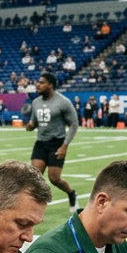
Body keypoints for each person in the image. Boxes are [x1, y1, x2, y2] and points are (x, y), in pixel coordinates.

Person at [25, 72, 80, 213]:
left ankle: (71, 193)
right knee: (34, 177)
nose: (38, 84)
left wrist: (65, 145)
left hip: (57, 143)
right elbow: (34, 122)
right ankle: (34, 207)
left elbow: (74, 124)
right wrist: (31, 125)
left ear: (50, 85)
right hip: (41, 142)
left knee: (54, 178)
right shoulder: (35, 102)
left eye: (42, 82)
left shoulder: (63, 102)